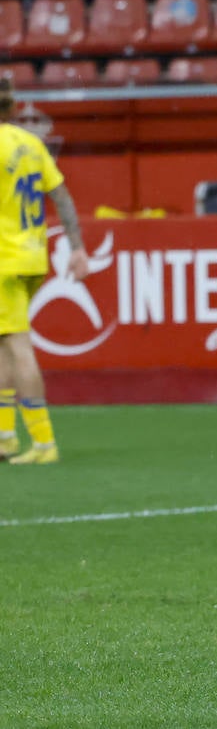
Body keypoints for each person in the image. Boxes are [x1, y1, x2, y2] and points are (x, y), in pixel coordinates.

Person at [0, 80, 89, 466]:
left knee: (18, 346)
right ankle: (5, 438)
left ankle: (43, 442)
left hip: (3, 260)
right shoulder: (31, 143)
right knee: (4, 348)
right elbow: (62, 195)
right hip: (34, 256)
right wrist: (78, 247)